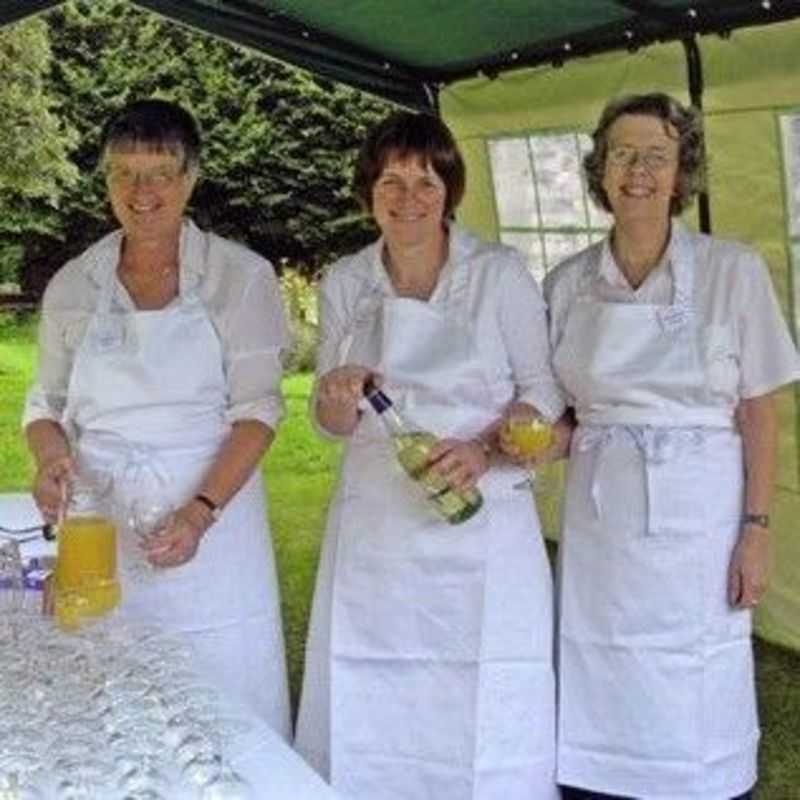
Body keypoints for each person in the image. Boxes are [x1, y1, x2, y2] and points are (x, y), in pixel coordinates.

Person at [293, 111, 564, 799]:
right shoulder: (348, 281)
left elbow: (542, 391)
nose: (408, 198)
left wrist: (483, 449)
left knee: (485, 691)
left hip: (483, 520)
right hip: (377, 527)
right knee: (373, 688)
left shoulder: (497, 274)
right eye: (392, 181)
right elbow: (329, 423)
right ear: (369, 191)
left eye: (426, 181)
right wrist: (336, 391)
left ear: (450, 192)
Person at [543, 93, 800, 799]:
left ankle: (706, 782)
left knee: (696, 669)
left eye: (657, 155)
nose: (638, 171)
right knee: (600, 660)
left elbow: (759, 412)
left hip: (701, 521)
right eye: (623, 153)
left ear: (682, 170)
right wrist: (531, 444)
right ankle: (597, 781)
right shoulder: (567, 284)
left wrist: (756, 530)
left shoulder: (732, 271)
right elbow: (562, 417)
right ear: (600, 169)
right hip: (602, 524)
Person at [23, 99, 291, 738]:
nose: (141, 193)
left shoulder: (241, 277)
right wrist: (50, 459)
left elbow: (259, 411)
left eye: (159, 173)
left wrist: (199, 511)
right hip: (101, 527)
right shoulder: (75, 283)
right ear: (106, 179)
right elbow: (45, 407)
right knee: (111, 711)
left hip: (215, 530)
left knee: (224, 711)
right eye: (124, 174)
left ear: (191, 178)